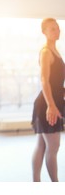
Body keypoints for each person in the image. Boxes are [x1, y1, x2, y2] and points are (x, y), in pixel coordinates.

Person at [32, 18, 64, 182]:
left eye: (57, 28)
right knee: (54, 146)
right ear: (44, 32)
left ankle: (36, 183)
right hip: (46, 104)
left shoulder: (55, 51)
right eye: (52, 29)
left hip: (53, 102)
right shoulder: (46, 52)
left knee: (42, 145)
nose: (56, 31)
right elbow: (44, 80)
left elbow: (56, 82)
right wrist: (51, 106)